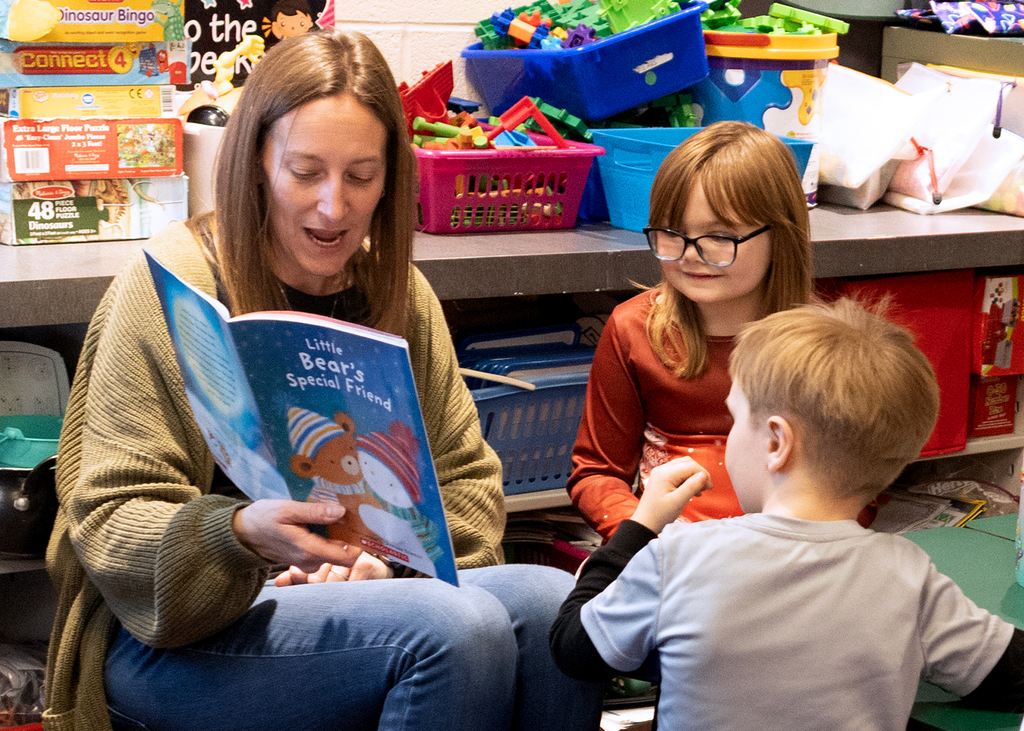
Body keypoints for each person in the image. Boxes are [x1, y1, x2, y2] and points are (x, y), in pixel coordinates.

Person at [43, 29, 602, 731]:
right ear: (256, 164)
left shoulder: (398, 293)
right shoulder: (170, 285)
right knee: (457, 629)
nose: (334, 208)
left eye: (361, 176)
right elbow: (111, 518)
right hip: (173, 636)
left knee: (555, 607)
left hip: (356, 600)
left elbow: (464, 482)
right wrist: (241, 534)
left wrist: (388, 570)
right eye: (305, 172)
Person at [550, 297, 1024, 730]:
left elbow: (574, 648)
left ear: (777, 443)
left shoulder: (679, 556)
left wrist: (635, 531)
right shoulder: (910, 576)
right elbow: (1009, 674)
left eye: (734, 419)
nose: (731, 435)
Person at [567, 121, 814, 540]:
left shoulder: (821, 347)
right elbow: (596, 474)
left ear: (781, 235)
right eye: (671, 234)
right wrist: (641, 536)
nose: (690, 256)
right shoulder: (633, 329)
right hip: (664, 555)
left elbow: (856, 483)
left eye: (719, 237)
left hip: (787, 557)